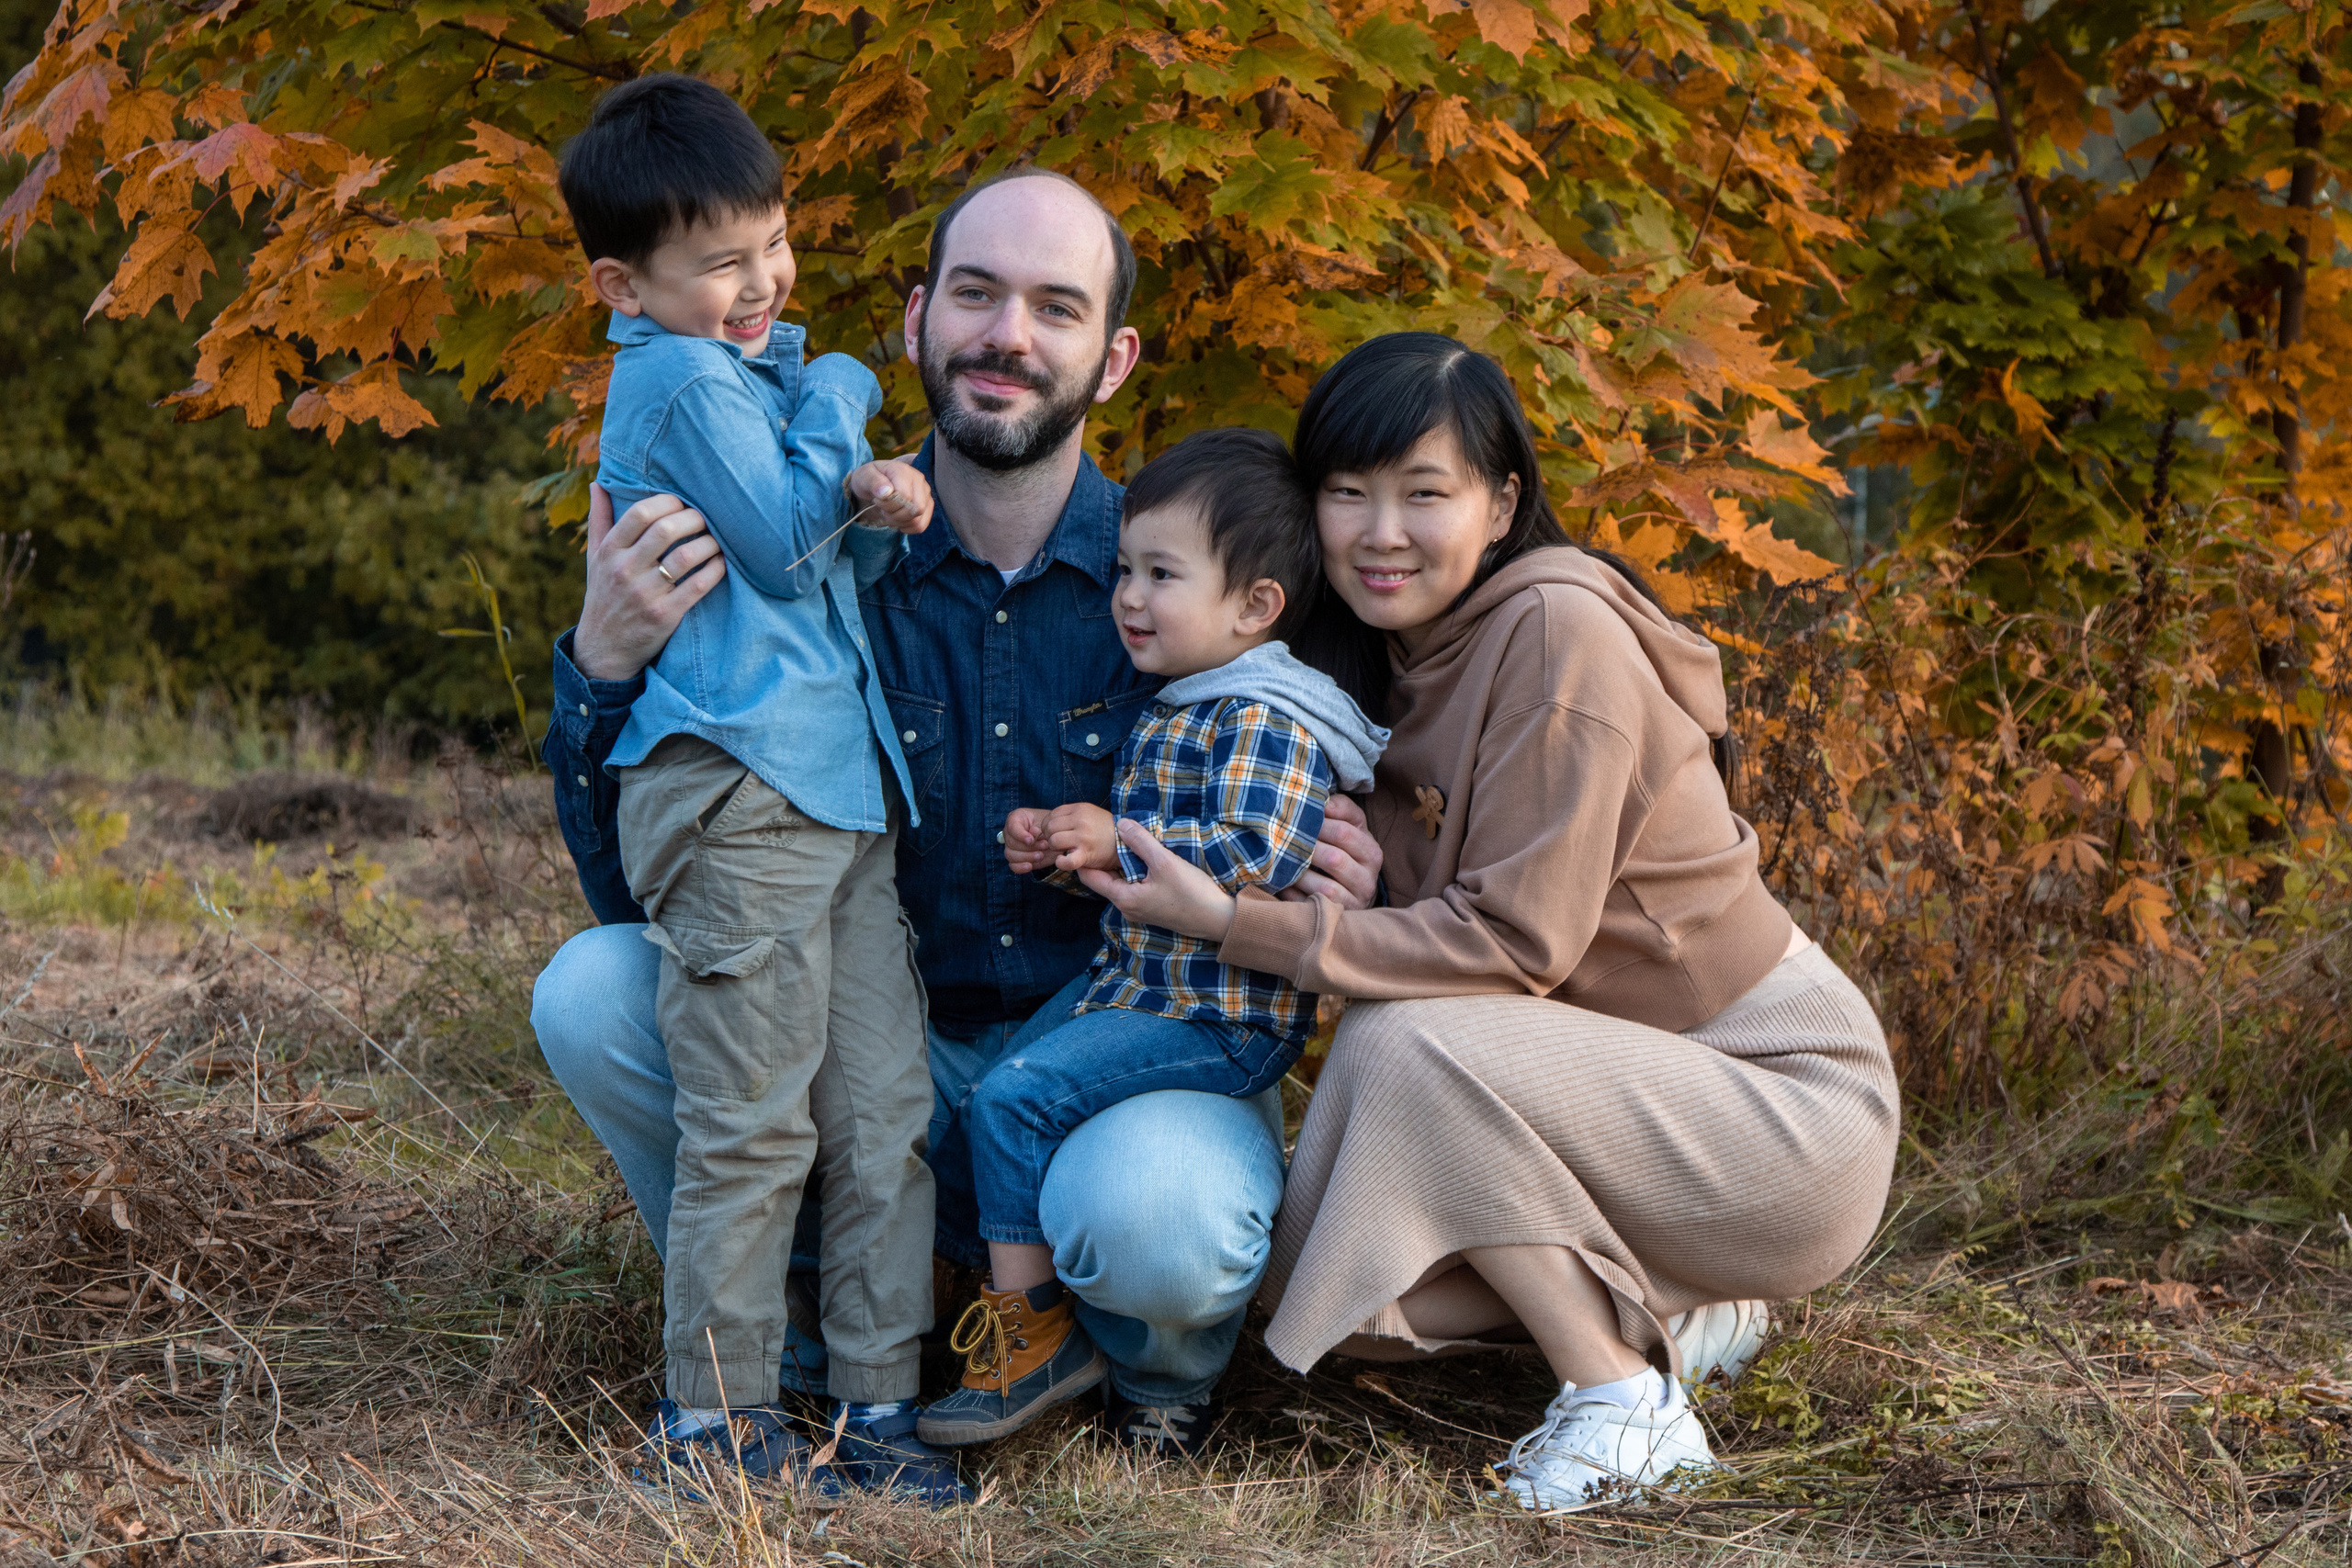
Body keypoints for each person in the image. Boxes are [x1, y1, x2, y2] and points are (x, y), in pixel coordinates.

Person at [531, 168, 1388, 1462]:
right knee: (595, 989)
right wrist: (602, 666)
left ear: (1113, 358)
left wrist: (1357, 866)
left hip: (1106, 1065)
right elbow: (641, 878)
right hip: (872, 1043)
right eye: (977, 294)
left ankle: (1131, 1362)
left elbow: (1312, 800)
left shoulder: (1192, 586)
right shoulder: (807, 564)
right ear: (923, 318)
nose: (1008, 334)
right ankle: (804, 1335)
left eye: (1058, 306)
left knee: (1166, 1210)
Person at [1079, 333, 1901, 1513]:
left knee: (1393, 1051)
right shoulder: (1379, 671)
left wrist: (1232, 920)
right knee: (1325, 1266)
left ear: (1503, 502)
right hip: (1611, 1090)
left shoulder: (1555, 632)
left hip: (1775, 1098)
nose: (1380, 532)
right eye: (1347, 494)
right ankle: (1670, 1300)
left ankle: (1622, 1403)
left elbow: (1514, 950)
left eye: (1426, 493)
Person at [551, 73, 955, 1501]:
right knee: (753, 1122)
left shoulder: (749, 376)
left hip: (833, 791)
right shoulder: (675, 380)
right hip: (739, 793)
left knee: (882, 1114)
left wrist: (886, 503)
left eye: (772, 243)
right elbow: (786, 545)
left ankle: (874, 1403)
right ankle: (714, 1419)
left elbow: (824, 568)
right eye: (720, 261)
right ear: (626, 281)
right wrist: (848, 391)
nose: (761, 280)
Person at [918, 429, 1388, 1445]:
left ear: (1254, 605)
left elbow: (1256, 854)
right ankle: (1006, 1307)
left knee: (1010, 1097)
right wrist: (1063, 843)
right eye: (1125, 569)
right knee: (979, 1106)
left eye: (1161, 574)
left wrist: (1119, 840)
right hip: (1146, 988)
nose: (1127, 595)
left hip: (1216, 1019)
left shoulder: (1263, 717)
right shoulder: (1189, 701)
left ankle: (1037, 1337)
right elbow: (1171, 854)